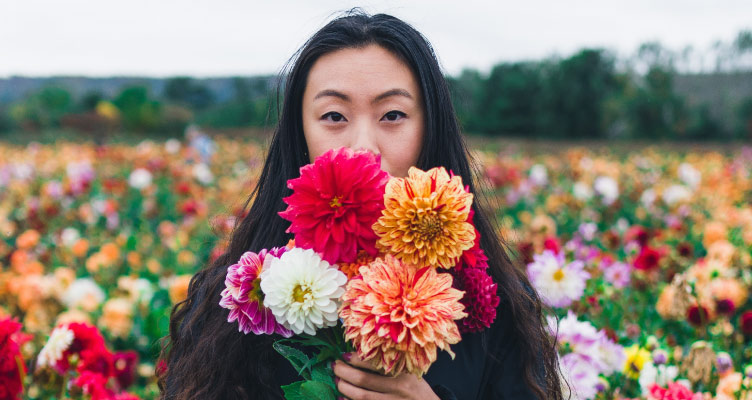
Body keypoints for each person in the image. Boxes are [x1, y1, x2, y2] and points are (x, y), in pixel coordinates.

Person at [159, 10, 564, 400]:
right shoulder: (242, 301)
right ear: (299, 135)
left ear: (430, 128)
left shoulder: (494, 304)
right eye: (334, 116)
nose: (364, 149)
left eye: (392, 114)